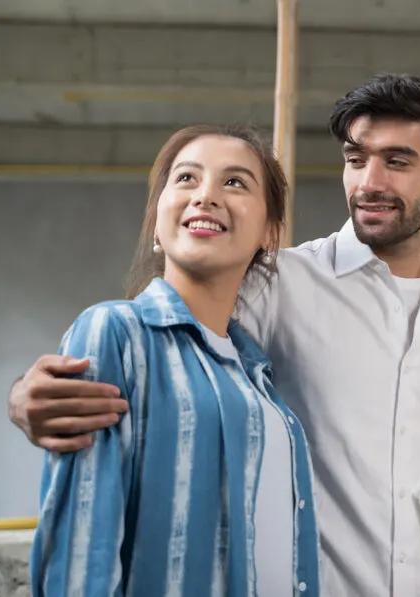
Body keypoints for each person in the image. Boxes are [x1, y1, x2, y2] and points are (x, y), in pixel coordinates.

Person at [9, 74, 420, 597]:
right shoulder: (277, 283)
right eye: (356, 159)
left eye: (397, 162)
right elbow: (163, 338)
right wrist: (22, 396)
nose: (369, 182)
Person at [26, 124, 321, 596]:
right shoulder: (115, 333)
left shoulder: (257, 374)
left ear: (269, 232)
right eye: (186, 178)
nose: (205, 196)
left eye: (235, 182)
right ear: (159, 223)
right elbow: (81, 555)